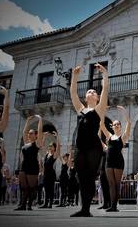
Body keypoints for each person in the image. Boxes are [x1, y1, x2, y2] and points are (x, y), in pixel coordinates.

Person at [69, 63, 109, 217]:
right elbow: (73, 92)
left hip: (93, 148)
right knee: (81, 177)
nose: (91, 92)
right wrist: (75, 76)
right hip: (80, 148)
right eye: (89, 91)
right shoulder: (80, 108)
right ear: (85, 97)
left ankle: (86, 209)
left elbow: (105, 90)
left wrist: (104, 74)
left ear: (96, 98)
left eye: (93, 91)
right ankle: (83, 208)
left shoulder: (99, 109)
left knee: (90, 176)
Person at [99, 105, 131, 212]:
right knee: (111, 184)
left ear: (120, 126)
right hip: (108, 162)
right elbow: (101, 124)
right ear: (112, 126)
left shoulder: (123, 137)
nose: (116, 125)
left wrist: (124, 111)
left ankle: (114, 206)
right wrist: (103, 111)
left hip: (118, 161)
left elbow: (129, 123)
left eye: (118, 124)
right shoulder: (109, 136)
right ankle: (112, 205)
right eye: (114, 124)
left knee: (117, 184)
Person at [14, 115, 44, 211]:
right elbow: (24, 132)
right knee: (24, 187)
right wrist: (27, 121)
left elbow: (39, 131)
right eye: (29, 134)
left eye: (31, 133)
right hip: (24, 166)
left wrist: (40, 120)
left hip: (33, 167)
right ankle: (22, 205)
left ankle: (29, 205)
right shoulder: (26, 143)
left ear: (35, 136)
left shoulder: (37, 143)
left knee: (31, 187)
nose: (29, 135)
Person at [39, 132, 61, 208]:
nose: (49, 147)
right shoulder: (47, 154)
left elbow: (58, 148)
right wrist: (44, 137)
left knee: (51, 189)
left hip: (51, 174)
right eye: (49, 146)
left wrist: (57, 137)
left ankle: (50, 204)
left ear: (54, 148)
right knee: (45, 189)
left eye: (51, 146)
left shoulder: (54, 155)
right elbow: (42, 146)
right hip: (45, 173)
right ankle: (45, 203)